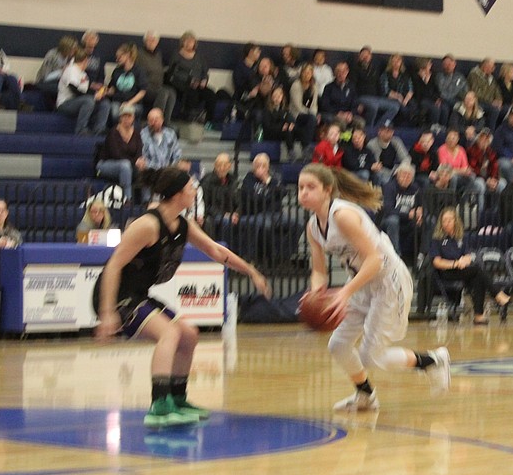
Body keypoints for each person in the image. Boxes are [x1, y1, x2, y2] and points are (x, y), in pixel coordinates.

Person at [95, 167, 267, 427]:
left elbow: (215, 250)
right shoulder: (148, 225)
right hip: (116, 295)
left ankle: (177, 398)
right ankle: (159, 406)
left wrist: (250, 270)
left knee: (188, 334)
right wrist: (107, 311)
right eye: (190, 188)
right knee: (170, 334)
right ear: (177, 195)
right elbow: (113, 265)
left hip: (138, 295)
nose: (195, 191)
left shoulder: (182, 224)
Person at [298, 164, 450, 412]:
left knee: (372, 357)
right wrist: (316, 293)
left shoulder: (342, 216)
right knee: (338, 345)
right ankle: (365, 395)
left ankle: (432, 361)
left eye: (310, 187)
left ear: (327, 190)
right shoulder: (313, 227)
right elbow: (319, 271)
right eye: (301, 187)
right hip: (362, 283)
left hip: (388, 282)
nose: (303, 192)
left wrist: (344, 292)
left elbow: (375, 260)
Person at [428, 206, 512, 324]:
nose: (446, 223)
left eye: (449, 220)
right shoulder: (437, 239)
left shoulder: (460, 238)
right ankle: (497, 294)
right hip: (445, 272)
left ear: (455, 221)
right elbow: (436, 262)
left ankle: (478, 315)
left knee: (478, 278)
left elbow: (468, 255)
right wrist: (456, 263)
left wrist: (465, 260)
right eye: (444, 220)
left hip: (461, 270)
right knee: (477, 270)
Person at [96, 104, 145, 201]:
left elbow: (139, 150)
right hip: (105, 164)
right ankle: (127, 199)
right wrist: (135, 161)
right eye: (124, 116)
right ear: (120, 118)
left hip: (129, 164)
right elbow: (116, 154)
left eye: (129, 116)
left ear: (133, 118)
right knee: (125, 165)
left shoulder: (136, 133)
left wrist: (140, 160)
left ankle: (147, 201)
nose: (127, 119)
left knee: (145, 166)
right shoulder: (113, 132)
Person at [56, 49, 110, 136]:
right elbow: (74, 89)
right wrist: (94, 96)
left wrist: (99, 93)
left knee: (105, 103)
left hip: (80, 101)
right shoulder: (71, 70)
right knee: (89, 100)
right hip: (65, 103)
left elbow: (86, 89)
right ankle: (80, 130)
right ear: (85, 60)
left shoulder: (83, 74)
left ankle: (99, 129)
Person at [165, 31, 214, 122]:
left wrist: (204, 79)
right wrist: (190, 81)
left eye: (191, 41)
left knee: (211, 94)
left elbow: (205, 71)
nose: (188, 43)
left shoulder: (199, 56)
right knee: (192, 93)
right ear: (182, 42)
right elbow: (174, 72)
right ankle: (189, 119)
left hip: (199, 84)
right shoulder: (176, 55)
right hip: (182, 85)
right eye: (186, 41)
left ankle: (209, 121)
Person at [380, 164, 422, 260]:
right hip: (389, 220)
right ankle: (395, 255)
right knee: (393, 220)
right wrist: (408, 215)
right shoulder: (389, 187)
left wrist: (421, 212)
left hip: (409, 221)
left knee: (429, 220)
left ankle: (423, 255)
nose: (406, 178)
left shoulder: (415, 188)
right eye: (404, 175)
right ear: (397, 175)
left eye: (409, 176)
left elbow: (422, 205)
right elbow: (388, 209)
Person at [137, 31, 176, 118]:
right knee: (163, 92)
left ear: (157, 42)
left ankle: (165, 122)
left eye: (153, 40)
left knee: (171, 92)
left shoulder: (158, 54)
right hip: (145, 87)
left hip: (158, 86)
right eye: (149, 40)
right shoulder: (139, 54)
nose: (151, 43)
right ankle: (155, 120)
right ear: (145, 41)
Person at [105, 43, 147, 123]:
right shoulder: (117, 71)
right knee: (115, 113)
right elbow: (112, 89)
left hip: (134, 103)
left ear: (127, 55)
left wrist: (129, 103)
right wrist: (104, 91)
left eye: (120, 57)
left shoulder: (139, 71)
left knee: (126, 112)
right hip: (117, 102)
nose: (117, 59)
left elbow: (142, 92)